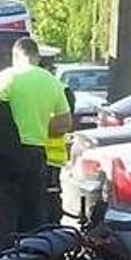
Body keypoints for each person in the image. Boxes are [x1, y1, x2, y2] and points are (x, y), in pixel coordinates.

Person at [0, 38, 72, 250]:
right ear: (37, 56)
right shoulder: (51, 81)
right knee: (33, 211)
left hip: (8, 154)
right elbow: (65, 122)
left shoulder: (11, 75)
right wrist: (40, 127)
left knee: (3, 214)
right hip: (38, 154)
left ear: (16, 55)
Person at [45, 84, 76, 224]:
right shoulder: (61, 89)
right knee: (50, 202)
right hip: (52, 158)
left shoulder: (16, 85)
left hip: (48, 156)